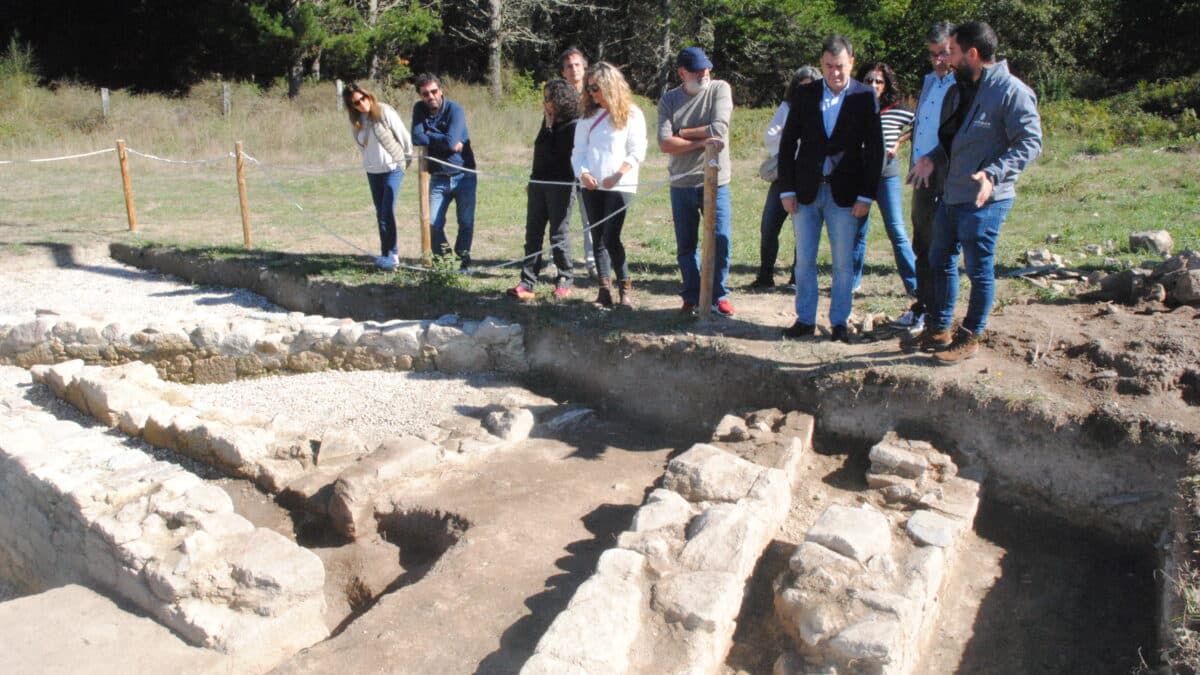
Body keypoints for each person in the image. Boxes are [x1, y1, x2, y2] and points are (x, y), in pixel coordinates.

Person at [906, 20, 1042, 362]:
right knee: (939, 258)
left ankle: (970, 337)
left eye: (953, 52)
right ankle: (939, 329)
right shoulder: (966, 88)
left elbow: (1030, 142)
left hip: (986, 198)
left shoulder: (1011, 92)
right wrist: (931, 159)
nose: (948, 60)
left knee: (978, 269)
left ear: (974, 54)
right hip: (952, 194)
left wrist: (994, 174)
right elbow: (954, 140)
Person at [778, 35, 883, 342]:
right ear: (821, 64)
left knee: (842, 262)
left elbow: (875, 149)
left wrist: (867, 194)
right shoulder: (806, 94)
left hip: (846, 193)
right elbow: (787, 144)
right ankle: (805, 319)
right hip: (806, 190)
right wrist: (787, 190)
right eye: (828, 66)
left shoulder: (864, 96)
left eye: (840, 66)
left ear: (851, 62)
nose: (835, 73)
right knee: (805, 260)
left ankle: (839, 321)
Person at [658, 46, 735, 316]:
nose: (703, 73)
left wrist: (683, 132)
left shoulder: (720, 89)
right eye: (696, 69)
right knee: (686, 244)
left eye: (706, 68)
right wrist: (703, 142)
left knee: (721, 238)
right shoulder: (669, 100)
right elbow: (665, 143)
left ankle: (718, 295)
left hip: (716, 181)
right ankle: (692, 294)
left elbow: (720, 129)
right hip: (681, 183)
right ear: (682, 73)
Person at [571, 62, 648, 308]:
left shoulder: (632, 113)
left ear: (610, 86)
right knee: (597, 237)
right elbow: (578, 152)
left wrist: (618, 174)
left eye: (596, 88)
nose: (592, 93)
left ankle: (625, 288)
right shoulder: (587, 117)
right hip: (592, 186)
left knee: (611, 236)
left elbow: (637, 151)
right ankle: (604, 290)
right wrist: (582, 174)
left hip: (620, 185)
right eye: (589, 88)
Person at [900, 21, 957, 332]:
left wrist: (934, 163)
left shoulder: (961, 85)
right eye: (933, 54)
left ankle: (936, 315)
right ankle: (922, 305)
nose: (939, 60)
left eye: (944, 53)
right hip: (920, 176)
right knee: (921, 242)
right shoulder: (929, 82)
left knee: (939, 247)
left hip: (945, 176)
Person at [850, 62, 918, 303]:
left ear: (886, 84)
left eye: (879, 81)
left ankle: (914, 285)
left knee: (897, 230)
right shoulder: (854, 106)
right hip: (859, 176)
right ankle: (852, 282)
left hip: (886, 176)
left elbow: (922, 122)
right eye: (869, 80)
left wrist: (900, 141)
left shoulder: (898, 109)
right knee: (856, 233)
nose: (874, 85)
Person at [507, 79, 580, 300]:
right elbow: (540, 151)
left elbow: (560, 154)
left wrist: (550, 128)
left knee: (558, 234)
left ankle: (564, 279)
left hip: (561, 185)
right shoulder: (547, 121)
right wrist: (532, 182)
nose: (544, 102)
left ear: (559, 101)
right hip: (538, 183)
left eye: (548, 98)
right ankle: (527, 282)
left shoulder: (574, 124)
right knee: (533, 234)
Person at [751, 66, 821, 290]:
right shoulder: (786, 106)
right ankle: (765, 276)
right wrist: (792, 144)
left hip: (811, 177)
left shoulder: (825, 108)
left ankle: (797, 277)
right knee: (769, 226)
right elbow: (772, 135)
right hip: (784, 176)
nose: (806, 91)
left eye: (810, 87)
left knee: (804, 230)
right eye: (801, 87)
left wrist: (797, 142)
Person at [342, 83, 413, 271]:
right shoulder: (356, 121)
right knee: (380, 212)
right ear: (352, 106)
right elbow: (360, 145)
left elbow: (404, 137)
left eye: (363, 98)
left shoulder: (384, 111)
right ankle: (385, 253)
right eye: (356, 103)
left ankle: (394, 254)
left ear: (368, 96)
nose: (361, 104)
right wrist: (368, 162)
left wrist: (405, 160)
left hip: (393, 167)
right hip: (373, 170)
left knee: (387, 210)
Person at [411, 73, 477, 269]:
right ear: (420, 96)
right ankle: (446, 260)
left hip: (464, 174)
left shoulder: (455, 109)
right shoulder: (419, 109)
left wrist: (430, 134)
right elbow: (416, 137)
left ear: (441, 90)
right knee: (433, 223)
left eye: (434, 91)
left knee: (465, 222)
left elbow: (450, 142)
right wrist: (445, 139)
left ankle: (463, 260)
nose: (431, 96)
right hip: (438, 177)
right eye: (425, 94)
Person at [558, 47, 597, 277]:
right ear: (563, 72)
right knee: (561, 216)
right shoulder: (558, 94)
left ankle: (592, 262)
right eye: (569, 66)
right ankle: (559, 260)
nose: (573, 70)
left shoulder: (594, 94)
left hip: (589, 164)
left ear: (585, 67)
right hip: (563, 164)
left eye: (577, 65)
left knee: (590, 215)